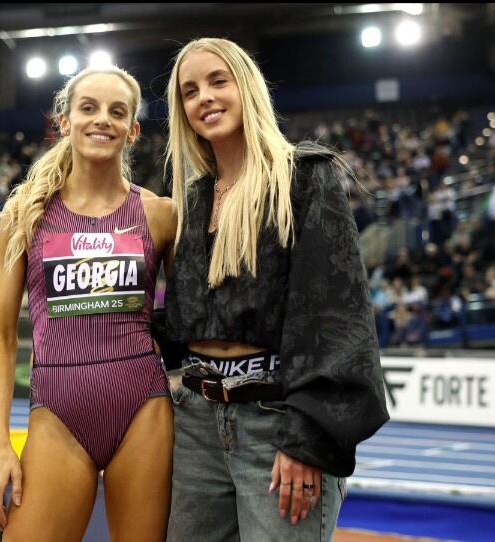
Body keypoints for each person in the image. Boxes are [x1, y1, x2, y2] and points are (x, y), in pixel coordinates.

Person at [161, 38, 390, 541]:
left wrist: (307, 438)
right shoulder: (193, 199)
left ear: (247, 87)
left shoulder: (305, 178)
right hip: (195, 424)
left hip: (276, 422)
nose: (204, 97)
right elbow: (185, 319)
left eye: (218, 81)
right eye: (190, 91)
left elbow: (337, 317)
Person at [0, 65, 176, 542]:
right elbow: (2, 335)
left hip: (143, 409)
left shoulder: (160, 215)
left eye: (117, 112)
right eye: (89, 108)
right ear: (65, 121)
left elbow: (191, 317)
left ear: (132, 131)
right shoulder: (24, 215)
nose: (102, 119)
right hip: (57, 412)